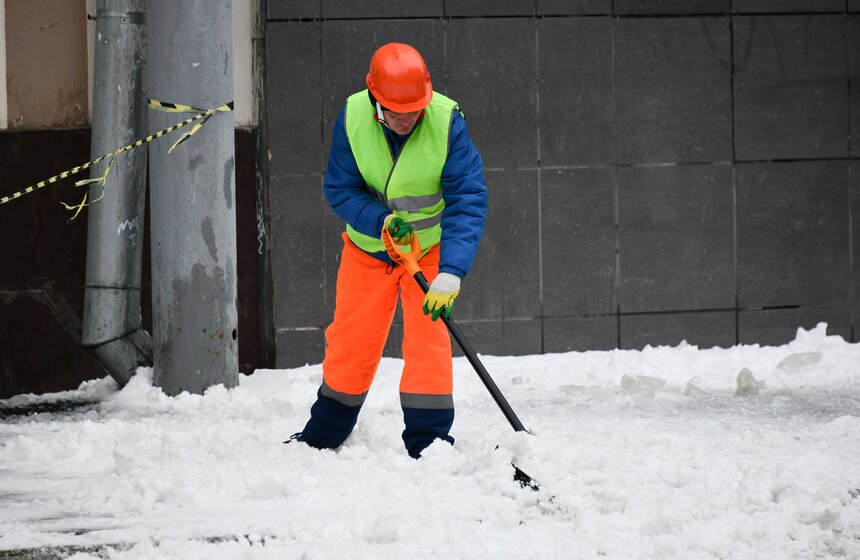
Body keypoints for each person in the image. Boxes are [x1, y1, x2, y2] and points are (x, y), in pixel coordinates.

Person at [290, 42, 488, 459]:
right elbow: (340, 189)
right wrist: (379, 221)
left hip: (429, 253)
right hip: (369, 251)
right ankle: (325, 433)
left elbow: (467, 198)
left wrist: (450, 272)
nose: (406, 119)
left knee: (429, 344)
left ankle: (429, 442)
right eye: (396, 111)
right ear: (374, 99)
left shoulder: (447, 121)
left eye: (414, 109)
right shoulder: (353, 117)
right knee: (351, 342)